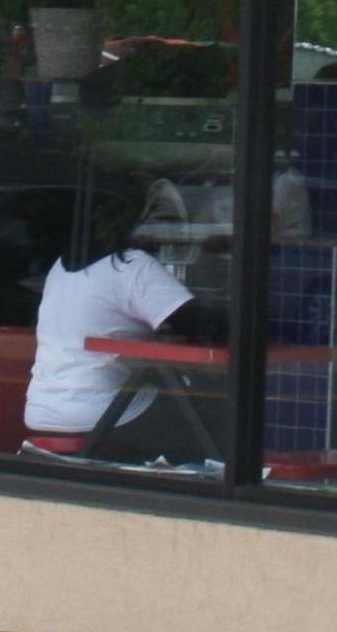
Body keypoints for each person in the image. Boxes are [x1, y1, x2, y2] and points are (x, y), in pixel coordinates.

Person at [25, 180, 230, 468]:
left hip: (41, 409)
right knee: (212, 417)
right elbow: (198, 325)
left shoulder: (59, 268)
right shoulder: (129, 266)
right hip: (99, 414)